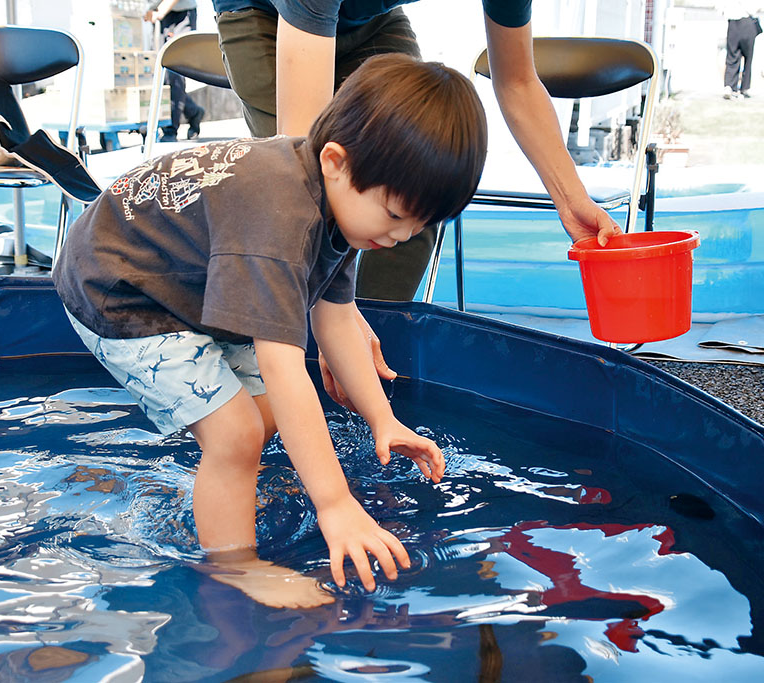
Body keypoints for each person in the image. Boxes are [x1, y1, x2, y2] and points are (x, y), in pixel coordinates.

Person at [52, 54, 487, 608]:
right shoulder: (281, 219)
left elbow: (334, 319)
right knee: (234, 434)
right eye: (396, 215)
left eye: (420, 226)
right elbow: (285, 366)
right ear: (335, 161)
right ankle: (235, 569)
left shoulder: (342, 211)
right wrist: (333, 503)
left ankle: (229, 484)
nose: (403, 237)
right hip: (119, 286)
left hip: (186, 277)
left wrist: (384, 419)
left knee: (263, 419)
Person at [213, 0, 622, 409]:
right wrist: (335, 310)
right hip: (267, 13)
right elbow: (304, 179)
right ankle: (287, 376)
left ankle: (367, 381)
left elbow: (516, 79)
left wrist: (571, 200)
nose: (399, 233)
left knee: (414, 190)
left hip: (369, 17)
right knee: (312, 226)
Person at [145, 0, 206, 140]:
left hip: (180, 14)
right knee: (163, 74)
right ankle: (193, 111)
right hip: (159, 14)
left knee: (174, 70)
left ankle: (170, 130)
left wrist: (160, 11)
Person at [722, 2, 762, 99]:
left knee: (732, 56)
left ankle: (730, 86)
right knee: (748, 58)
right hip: (747, 22)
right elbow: (755, 8)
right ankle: (745, 87)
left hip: (733, 22)